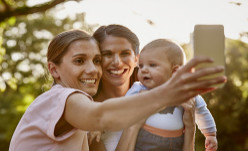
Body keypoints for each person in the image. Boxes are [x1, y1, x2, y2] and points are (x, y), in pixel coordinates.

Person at [9, 28, 225, 151]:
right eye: (79, 61)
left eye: (95, 60)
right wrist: (167, 92)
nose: (92, 69)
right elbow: (100, 116)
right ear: (54, 70)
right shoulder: (61, 97)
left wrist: (190, 125)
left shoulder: (79, 117)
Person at [88, 24, 225, 151]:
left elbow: (202, 111)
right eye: (107, 54)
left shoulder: (181, 94)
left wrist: (195, 130)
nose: (117, 62)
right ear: (96, 59)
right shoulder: (88, 113)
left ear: (136, 59)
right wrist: (102, 123)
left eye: (125, 53)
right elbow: (117, 109)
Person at [125, 39, 218, 151]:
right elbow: (120, 107)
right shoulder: (139, 89)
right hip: (145, 140)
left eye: (152, 65)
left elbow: (202, 111)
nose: (144, 70)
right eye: (141, 66)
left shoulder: (186, 92)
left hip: (176, 143)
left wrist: (210, 134)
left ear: (175, 71)